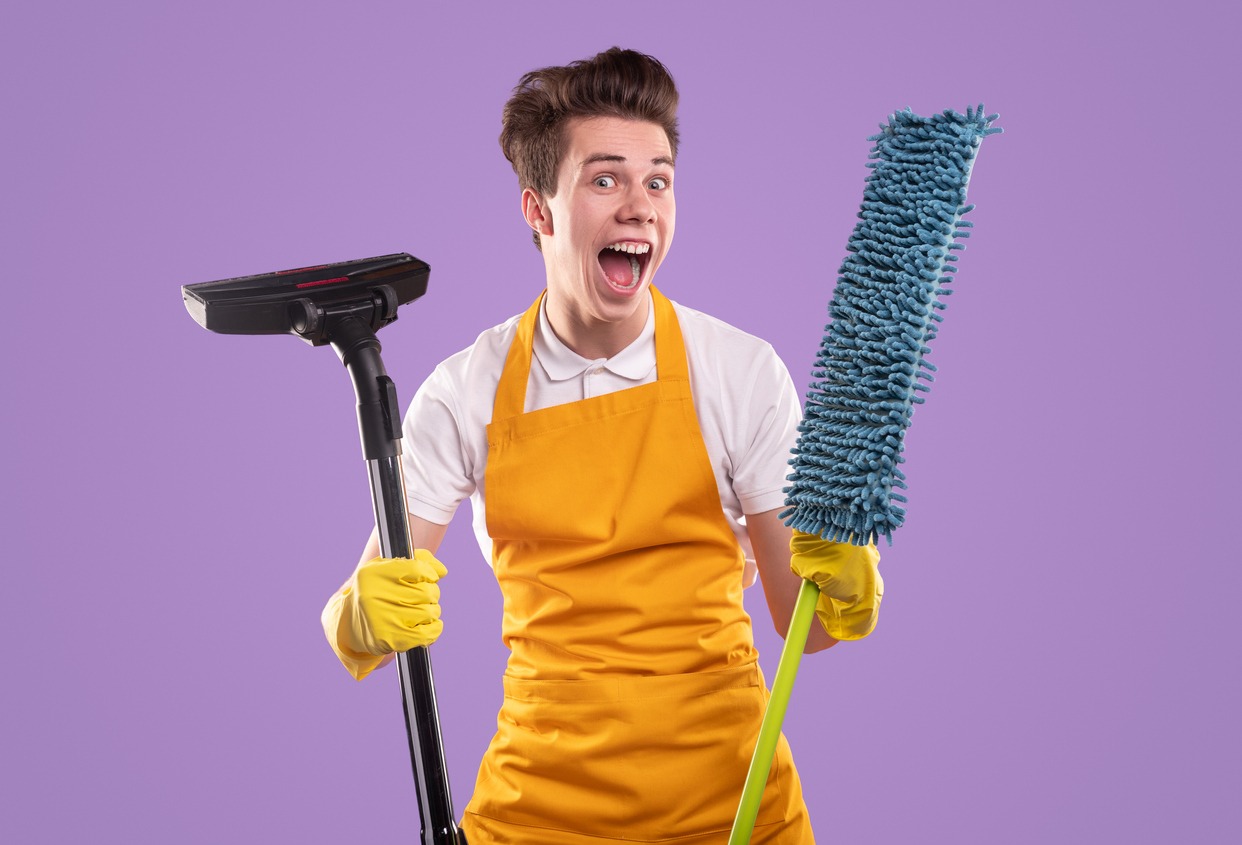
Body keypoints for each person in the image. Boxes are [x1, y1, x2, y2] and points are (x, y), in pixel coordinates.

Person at [321, 47, 883, 844]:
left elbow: (807, 624)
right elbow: (371, 596)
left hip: (732, 809)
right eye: (605, 178)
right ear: (538, 209)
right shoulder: (466, 390)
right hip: (539, 815)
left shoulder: (740, 370)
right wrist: (361, 618)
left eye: (658, 180)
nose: (640, 207)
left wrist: (842, 582)